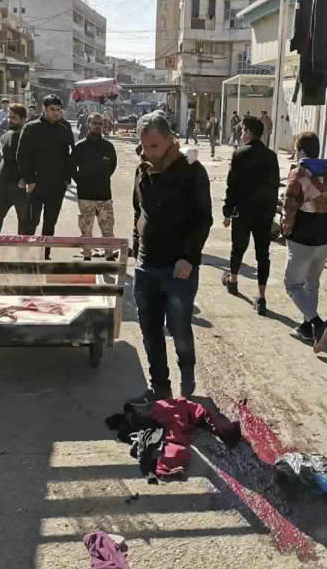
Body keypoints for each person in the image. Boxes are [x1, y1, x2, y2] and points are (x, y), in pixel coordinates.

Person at [131, 111, 212, 401]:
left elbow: (203, 218)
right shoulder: (142, 170)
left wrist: (189, 258)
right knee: (150, 332)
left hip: (179, 269)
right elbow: (138, 212)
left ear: (169, 140)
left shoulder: (191, 171)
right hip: (146, 266)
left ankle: (187, 378)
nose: (148, 152)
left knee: (179, 329)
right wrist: (136, 245)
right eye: (144, 146)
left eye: (154, 146)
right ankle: (160, 388)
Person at [281, 132, 327, 353]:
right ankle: (308, 326)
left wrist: (285, 230)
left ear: (300, 151)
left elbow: (289, 207)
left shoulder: (298, 174)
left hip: (303, 236)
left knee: (293, 284)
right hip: (325, 236)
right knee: (312, 282)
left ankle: (318, 324)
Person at [222, 115, 280, 315]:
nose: (241, 134)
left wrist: (227, 212)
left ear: (248, 132)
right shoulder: (271, 156)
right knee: (262, 255)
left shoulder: (239, 154)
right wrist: (272, 214)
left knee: (238, 248)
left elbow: (232, 187)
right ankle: (262, 297)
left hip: (243, 212)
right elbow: (274, 188)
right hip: (264, 214)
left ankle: (233, 280)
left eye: (242, 131)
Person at [16, 94, 75, 255]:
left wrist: (67, 178)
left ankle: (45, 256)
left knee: (50, 224)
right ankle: (25, 255)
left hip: (57, 186)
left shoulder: (64, 128)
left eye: (58, 109)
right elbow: (21, 155)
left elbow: (71, 153)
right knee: (30, 222)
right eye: (52, 109)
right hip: (36, 184)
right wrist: (29, 179)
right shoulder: (31, 128)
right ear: (44, 108)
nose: (56, 113)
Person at [71, 112, 118, 260]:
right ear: (88, 125)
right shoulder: (80, 147)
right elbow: (72, 168)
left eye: (100, 124)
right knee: (86, 229)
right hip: (85, 196)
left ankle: (109, 254)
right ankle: (87, 255)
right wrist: (81, 181)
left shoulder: (108, 147)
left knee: (107, 228)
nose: (97, 126)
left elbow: (112, 166)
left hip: (104, 195)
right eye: (94, 123)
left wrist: (102, 179)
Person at [0, 103, 30, 235]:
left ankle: (23, 251)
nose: (10, 120)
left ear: (23, 119)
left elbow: (37, 163)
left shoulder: (30, 137)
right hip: (2, 186)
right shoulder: (6, 136)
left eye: (14, 118)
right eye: (9, 117)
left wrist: (25, 181)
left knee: (24, 221)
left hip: (21, 188)